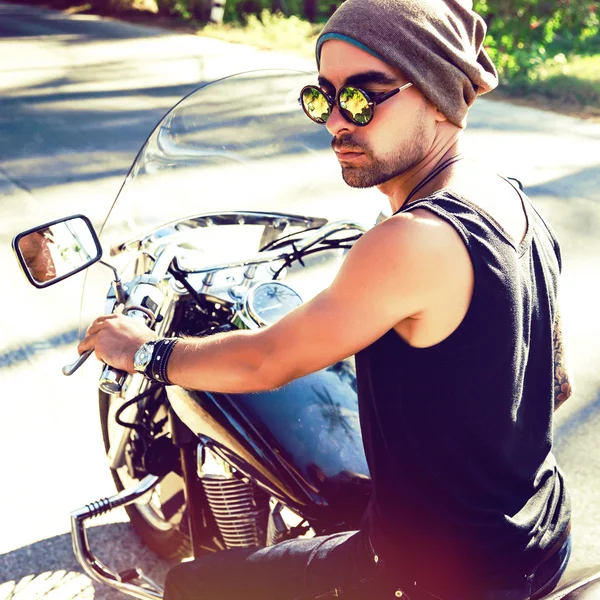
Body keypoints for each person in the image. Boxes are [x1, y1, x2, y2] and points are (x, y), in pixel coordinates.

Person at [78, 0, 574, 597]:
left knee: (195, 584)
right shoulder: (509, 201)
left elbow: (265, 361)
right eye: (323, 97)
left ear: (439, 94)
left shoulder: (411, 240)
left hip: (430, 573)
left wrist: (143, 353)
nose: (338, 120)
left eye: (363, 96)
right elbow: (554, 381)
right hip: (538, 535)